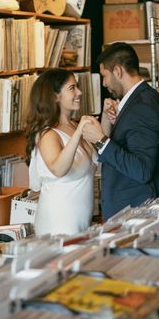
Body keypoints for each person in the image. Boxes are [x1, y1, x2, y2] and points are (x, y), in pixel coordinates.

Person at [82, 42, 159, 221]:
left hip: (139, 213)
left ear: (118, 71)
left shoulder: (141, 107)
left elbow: (141, 170)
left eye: (105, 76)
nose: (104, 83)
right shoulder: (144, 99)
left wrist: (101, 140)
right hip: (138, 210)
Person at [25, 69, 96, 236]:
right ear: (55, 97)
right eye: (72, 88)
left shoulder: (72, 125)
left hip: (81, 220)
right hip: (59, 221)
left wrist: (107, 119)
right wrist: (79, 132)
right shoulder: (48, 134)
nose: (79, 92)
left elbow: (95, 158)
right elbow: (58, 169)